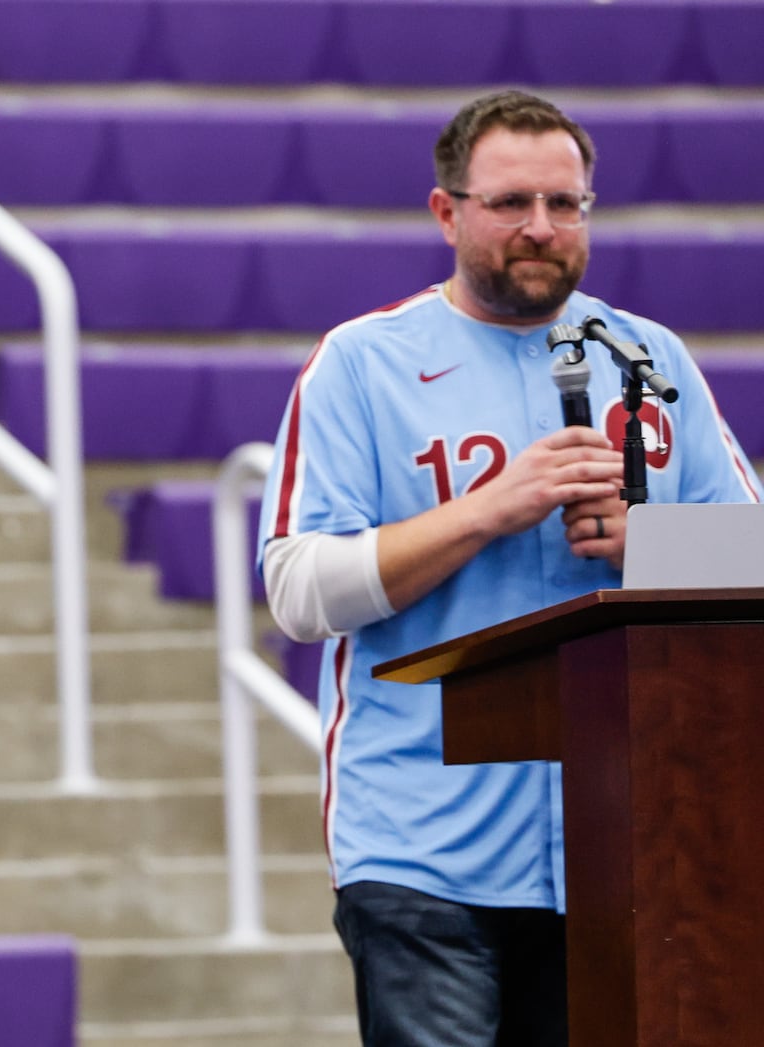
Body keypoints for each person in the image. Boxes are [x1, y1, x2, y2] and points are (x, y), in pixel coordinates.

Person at [257, 90, 760, 1047]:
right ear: (447, 212)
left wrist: (646, 539)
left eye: (565, 205)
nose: (541, 228)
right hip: (420, 847)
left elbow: (754, 564)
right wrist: (492, 508)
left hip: (626, 836)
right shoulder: (362, 364)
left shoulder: (652, 360)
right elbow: (298, 591)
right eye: (511, 204)